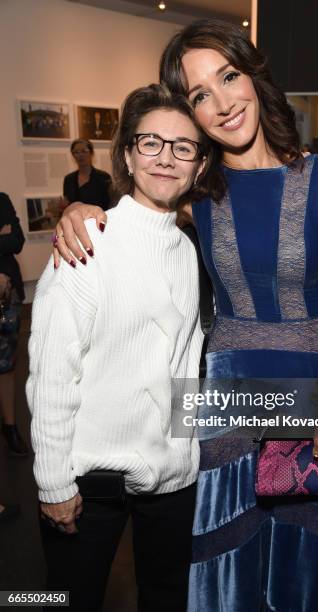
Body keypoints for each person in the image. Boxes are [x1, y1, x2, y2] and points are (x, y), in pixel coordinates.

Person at [52, 20, 318, 611]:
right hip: (225, 406)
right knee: (228, 574)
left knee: (313, 570)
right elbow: (137, 210)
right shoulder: (196, 190)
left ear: (254, 75)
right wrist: (81, 210)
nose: (223, 102)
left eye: (228, 77)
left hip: (317, 395)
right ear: (191, 114)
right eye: (200, 95)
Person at [27, 84, 213, 612]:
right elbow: (53, 373)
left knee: (166, 598)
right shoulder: (89, 240)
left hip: (174, 477)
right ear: (128, 153)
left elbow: (183, 363)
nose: (166, 158)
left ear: (199, 165)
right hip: (90, 484)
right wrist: (52, 482)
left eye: (183, 147)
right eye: (151, 142)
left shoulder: (192, 251)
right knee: (64, 599)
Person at [0, 193, 28, 456]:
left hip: (6, 297)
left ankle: (10, 427)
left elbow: (16, 240)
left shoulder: (2, 200)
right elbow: (6, 241)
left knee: (6, 365)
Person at [63, 139, 112, 212]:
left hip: (97, 220)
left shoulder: (103, 177)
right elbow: (68, 205)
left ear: (92, 153)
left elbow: (109, 205)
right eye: (76, 152)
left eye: (84, 151)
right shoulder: (68, 179)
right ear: (73, 156)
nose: (80, 155)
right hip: (75, 221)